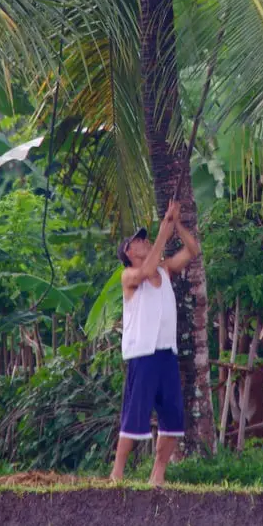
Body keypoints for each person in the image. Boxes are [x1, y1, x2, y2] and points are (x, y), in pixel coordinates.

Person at [110, 199, 200, 486]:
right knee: (134, 417)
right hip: (142, 354)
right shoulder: (130, 276)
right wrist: (163, 231)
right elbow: (146, 272)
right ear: (128, 251)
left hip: (166, 353)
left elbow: (193, 251)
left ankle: (158, 475)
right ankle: (117, 475)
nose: (145, 242)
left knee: (173, 419)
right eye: (139, 240)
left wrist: (176, 226)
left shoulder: (164, 268)